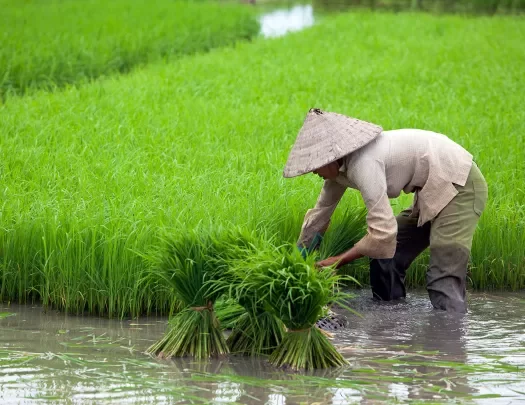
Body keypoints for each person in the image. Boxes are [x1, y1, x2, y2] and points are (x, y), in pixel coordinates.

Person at [283, 108, 488, 313]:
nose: (313, 171)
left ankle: (450, 336)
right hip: (432, 189)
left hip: (460, 184)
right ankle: (392, 322)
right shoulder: (337, 172)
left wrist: (337, 261)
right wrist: (298, 260)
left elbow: (383, 233)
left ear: (331, 157)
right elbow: (320, 215)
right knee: (387, 258)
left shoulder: (364, 164)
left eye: (315, 165)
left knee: (442, 278)